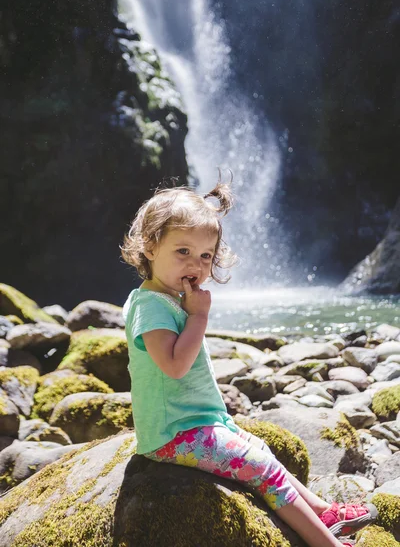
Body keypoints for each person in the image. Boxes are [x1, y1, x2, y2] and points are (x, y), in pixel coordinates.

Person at [121, 179, 377, 547]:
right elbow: (174, 366)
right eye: (183, 251)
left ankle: (323, 512)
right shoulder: (149, 306)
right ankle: (327, 543)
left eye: (206, 256)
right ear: (149, 246)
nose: (196, 264)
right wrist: (199, 319)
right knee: (260, 467)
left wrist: (193, 315)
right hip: (171, 435)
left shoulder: (172, 298)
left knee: (261, 450)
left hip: (198, 422)